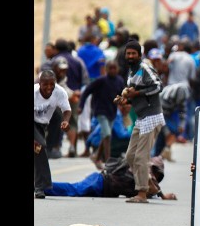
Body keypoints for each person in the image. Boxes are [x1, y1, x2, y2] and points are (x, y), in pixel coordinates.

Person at [113, 40, 165, 204]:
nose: (130, 56)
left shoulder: (145, 68)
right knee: (130, 156)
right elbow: (132, 94)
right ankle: (150, 184)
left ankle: (142, 193)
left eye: (133, 53)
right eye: (128, 53)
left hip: (151, 116)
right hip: (141, 118)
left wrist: (137, 93)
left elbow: (158, 86)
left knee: (141, 157)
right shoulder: (131, 71)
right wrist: (124, 100)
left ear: (139, 55)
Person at [44, 156, 177, 200]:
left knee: (73, 190)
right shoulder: (144, 169)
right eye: (157, 173)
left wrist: (161, 194)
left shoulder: (143, 180)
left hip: (101, 185)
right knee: (73, 190)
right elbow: (151, 183)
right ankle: (41, 186)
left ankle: (42, 186)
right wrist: (163, 195)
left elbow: (151, 189)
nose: (157, 177)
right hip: (100, 181)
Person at [79, 60, 125, 167]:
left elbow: (122, 95)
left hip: (112, 112)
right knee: (108, 134)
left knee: (106, 135)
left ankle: (96, 157)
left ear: (117, 69)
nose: (113, 70)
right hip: (100, 111)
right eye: (110, 68)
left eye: (114, 68)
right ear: (106, 69)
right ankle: (108, 161)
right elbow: (87, 91)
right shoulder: (101, 81)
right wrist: (81, 106)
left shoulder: (119, 81)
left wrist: (123, 103)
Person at [34, 71, 72, 199]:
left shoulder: (60, 92)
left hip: (42, 125)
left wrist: (66, 121)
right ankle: (41, 187)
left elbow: (66, 110)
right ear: (40, 84)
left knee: (37, 151)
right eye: (45, 84)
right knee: (40, 147)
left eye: (52, 84)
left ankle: (39, 185)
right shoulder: (34, 93)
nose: (49, 87)